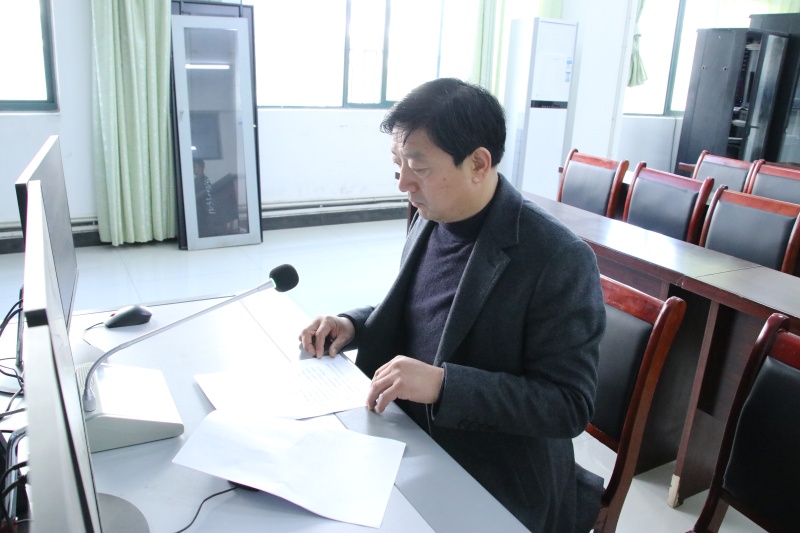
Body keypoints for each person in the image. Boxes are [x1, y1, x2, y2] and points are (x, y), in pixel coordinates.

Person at [299, 78, 606, 532]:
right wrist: (352, 324)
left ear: (478, 163)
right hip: (407, 432)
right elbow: (421, 310)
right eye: (398, 165)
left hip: (493, 468)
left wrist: (445, 386)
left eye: (418, 167)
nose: (403, 183)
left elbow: (568, 405)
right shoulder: (431, 215)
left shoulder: (557, 257)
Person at [193, 158, 217, 237]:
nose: (193, 168)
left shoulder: (205, 180)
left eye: (195, 166)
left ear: (201, 168)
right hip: (198, 210)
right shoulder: (195, 180)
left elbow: (209, 195)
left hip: (204, 211)